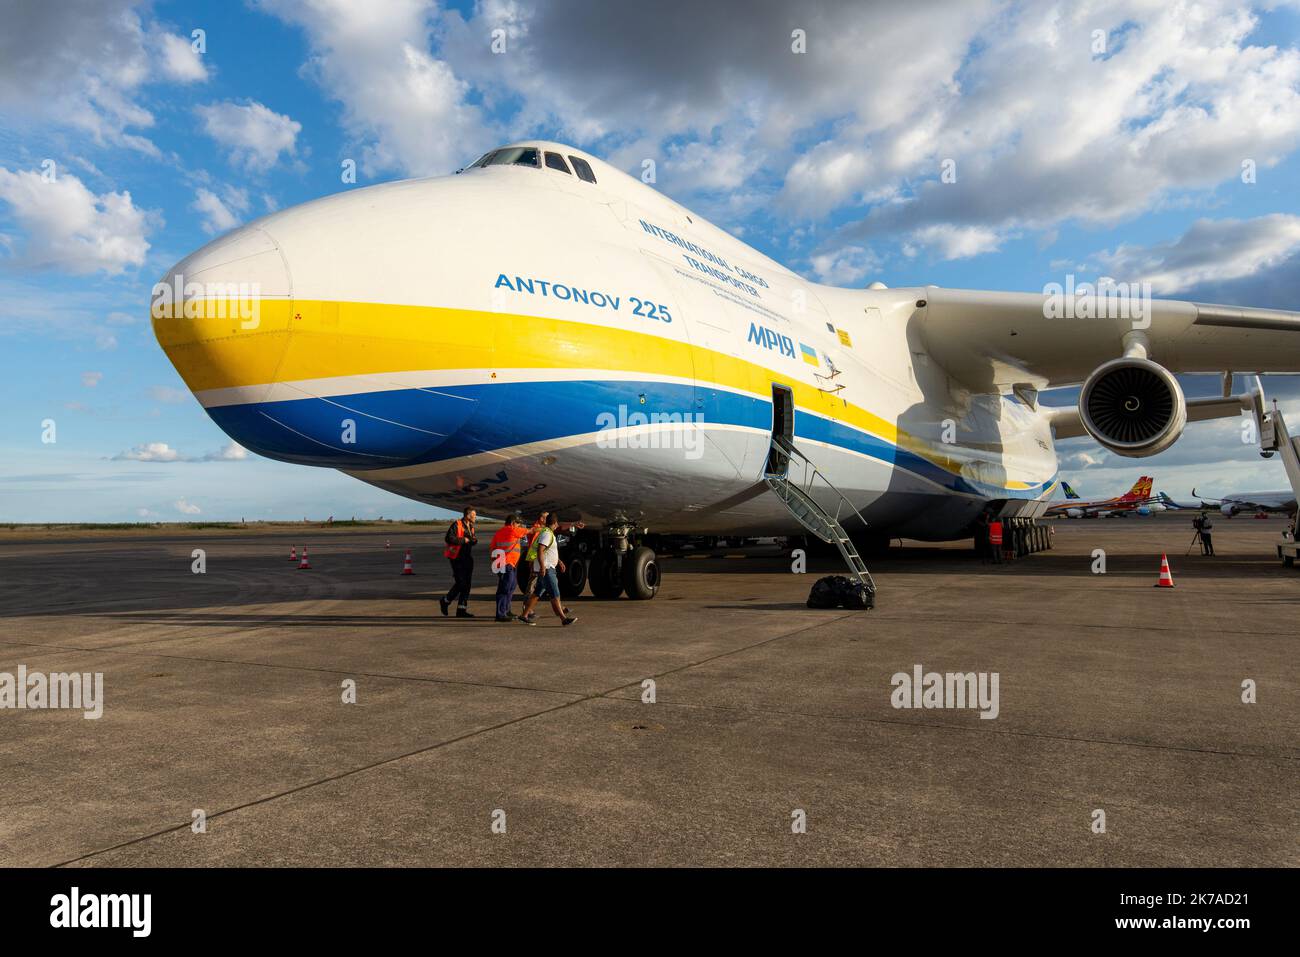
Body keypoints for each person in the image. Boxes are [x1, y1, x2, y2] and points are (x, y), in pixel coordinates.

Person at [519, 514, 577, 627]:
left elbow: (548, 551)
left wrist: (559, 561)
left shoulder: (548, 533)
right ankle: (563, 619)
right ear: (555, 523)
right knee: (555, 594)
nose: (557, 526)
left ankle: (524, 615)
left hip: (547, 567)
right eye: (556, 524)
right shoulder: (546, 534)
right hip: (547, 569)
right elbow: (540, 550)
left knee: (537, 593)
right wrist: (542, 567)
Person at [488, 514, 528, 622]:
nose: (519, 525)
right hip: (507, 564)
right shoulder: (512, 530)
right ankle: (500, 614)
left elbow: (492, 548)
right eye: (518, 523)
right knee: (505, 588)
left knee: (510, 587)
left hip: (506, 564)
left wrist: (495, 563)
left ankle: (506, 610)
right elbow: (531, 530)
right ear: (512, 523)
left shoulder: (499, 532)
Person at [440, 507, 477, 617]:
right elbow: (448, 538)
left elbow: (471, 540)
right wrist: (463, 540)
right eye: (474, 515)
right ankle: (445, 601)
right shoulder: (457, 524)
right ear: (467, 515)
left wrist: (473, 540)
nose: (475, 517)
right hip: (457, 558)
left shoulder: (471, 526)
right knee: (461, 583)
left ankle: (461, 609)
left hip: (467, 558)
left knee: (467, 584)